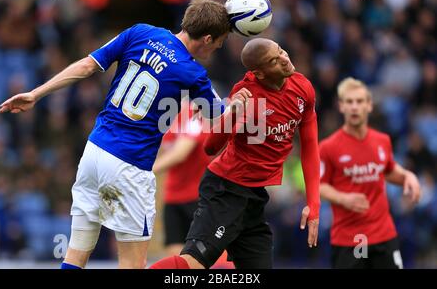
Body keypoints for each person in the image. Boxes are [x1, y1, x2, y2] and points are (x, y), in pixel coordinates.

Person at [0, 0, 246, 269]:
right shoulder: (193, 73)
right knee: (132, 264)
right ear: (208, 38)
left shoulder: (140, 32)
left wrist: (35, 93)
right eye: (220, 42)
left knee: (76, 255)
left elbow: (87, 65)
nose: (219, 47)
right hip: (130, 167)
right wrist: (236, 104)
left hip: (94, 153)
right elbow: (216, 118)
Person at [150, 37, 321, 269]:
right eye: (274, 60)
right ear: (259, 73)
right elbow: (210, 146)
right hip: (225, 191)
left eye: (281, 51)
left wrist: (313, 203)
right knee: (193, 264)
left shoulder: (302, 87)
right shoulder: (246, 94)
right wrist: (231, 113)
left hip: (254, 197)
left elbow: (310, 144)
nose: (284, 59)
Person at [319, 77, 421, 269]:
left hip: (383, 234)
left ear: (369, 106)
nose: (354, 107)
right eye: (349, 102)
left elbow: (389, 170)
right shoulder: (328, 147)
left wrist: (408, 176)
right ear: (341, 106)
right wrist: (343, 198)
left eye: (359, 101)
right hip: (352, 238)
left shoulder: (382, 141)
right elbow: (318, 186)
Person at [153, 100, 234, 268]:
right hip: (172, 198)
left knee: (202, 259)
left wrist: (145, 170)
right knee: (176, 258)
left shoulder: (194, 114)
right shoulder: (167, 118)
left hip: (197, 198)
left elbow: (180, 153)